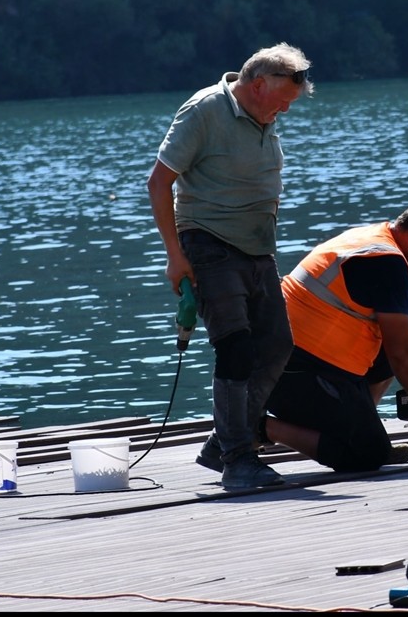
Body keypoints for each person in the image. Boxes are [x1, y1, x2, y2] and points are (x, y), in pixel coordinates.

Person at [146, 42, 313, 490]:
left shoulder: (263, 114)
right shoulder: (204, 111)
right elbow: (159, 183)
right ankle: (238, 459)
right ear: (257, 86)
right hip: (208, 244)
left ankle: (222, 443)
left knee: (276, 344)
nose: (284, 111)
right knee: (235, 346)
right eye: (281, 101)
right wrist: (174, 256)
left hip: (258, 249)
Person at [261, 202, 408, 472]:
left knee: (390, 357)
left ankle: (360, 429)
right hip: (288, 373)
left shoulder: (373, 239)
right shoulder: (387, 261)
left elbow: (399, 338)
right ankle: (261, 427)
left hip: (289, 359)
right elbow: (401, 352)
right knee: (368, 455)